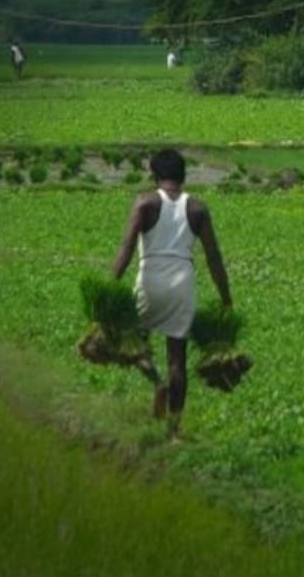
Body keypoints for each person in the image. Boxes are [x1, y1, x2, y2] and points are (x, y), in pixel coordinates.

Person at [112, 148, 232, 440]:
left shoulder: (145, 203)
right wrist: (226, 297)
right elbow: (214, 257)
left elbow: (127, 248)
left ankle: (156, 382)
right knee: (177, 359)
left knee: (134, 343)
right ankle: (174, 430)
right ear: (183, 176)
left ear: (155, 175)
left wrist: (112, 284)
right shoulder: (198, 209)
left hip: (150, 277)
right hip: (182, 283)